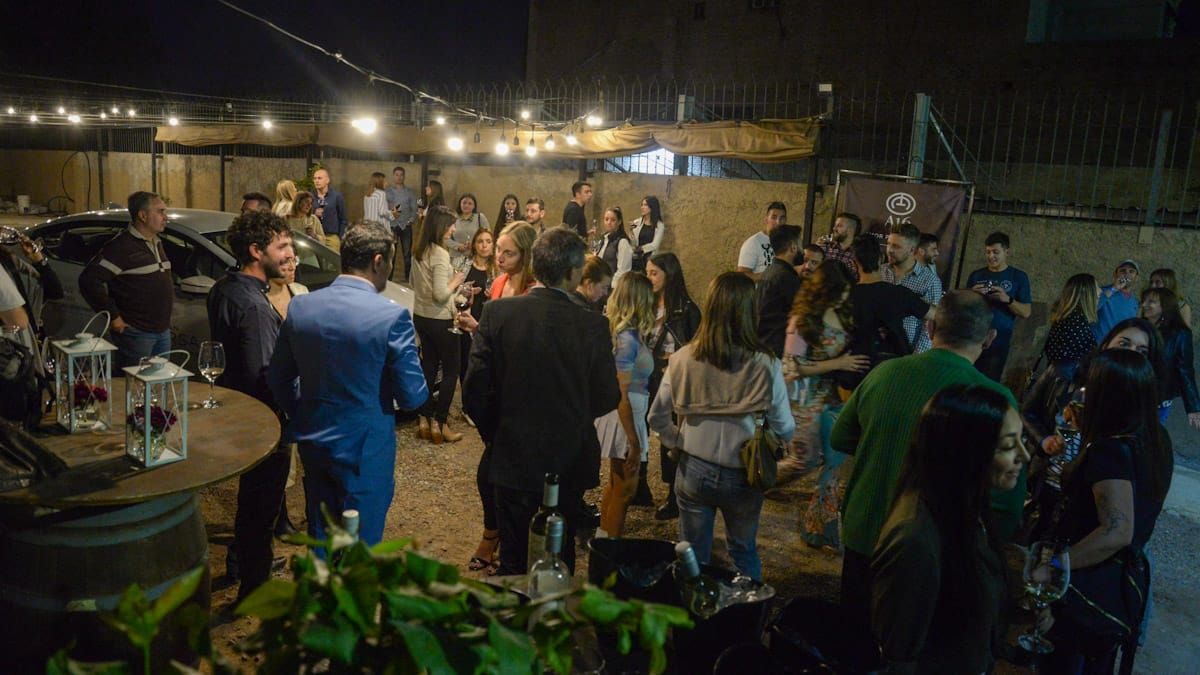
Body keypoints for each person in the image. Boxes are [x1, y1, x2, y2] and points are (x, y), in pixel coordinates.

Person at [832, 290, 1022, 626]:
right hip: (934, 549)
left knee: (853, 631)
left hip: (865, 528)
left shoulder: (884, 372)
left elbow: (841, 437)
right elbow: (1007, 498)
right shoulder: (994, 399)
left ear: (931, 328)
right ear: (989, 338)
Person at [462, 226, 619, 576]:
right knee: (558, 553)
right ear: (573, 272)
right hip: (568, 455)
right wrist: (573, 415)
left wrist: (496, 432)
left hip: (512, 451)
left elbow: (474, 390)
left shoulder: (499, 314)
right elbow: (607, 396)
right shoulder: (593, 325)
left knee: (514, 555)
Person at [267, 221, 428, 548]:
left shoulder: (302, 306)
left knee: (321, 533)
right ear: (379, 261)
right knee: (361, 545)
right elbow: (413, 396)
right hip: (365, 449)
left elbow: (279, 376)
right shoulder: (391, 317)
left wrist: (302, 410)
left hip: (314, 440)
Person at [648, 272, 794, 581]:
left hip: (693, 466)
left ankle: (693, 608)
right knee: (743, 551)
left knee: (692, 555)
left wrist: (677, 440)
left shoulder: (682, 359)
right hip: (743, 470)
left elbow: (656, 417)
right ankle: (746, 608)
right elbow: (785, 428)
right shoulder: (766, 364)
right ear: (750, 311)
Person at [871, 385, 1026, 673]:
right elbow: (897, 658)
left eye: (1022, 440)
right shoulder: (915, 539)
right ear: (966, 451)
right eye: (1008, 446)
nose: (1024, 456)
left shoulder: (962, 508)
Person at [1045, 349, 1173, 673]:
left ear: (1106, 396)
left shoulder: (1110, 451)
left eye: (1090, 386)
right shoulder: (1156, 440)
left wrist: (1056, 566)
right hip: (1118, 588)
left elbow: (1116, 531)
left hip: (1088, 585)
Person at [206, 209, 295, 600]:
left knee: (251, 499)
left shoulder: (224, 287)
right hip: (265, 422)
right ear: (257, 251)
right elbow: (265, 373)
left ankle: (242, 563)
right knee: (262, 507)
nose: (289, 254)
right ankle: (255, 589)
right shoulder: (256, 306)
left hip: (239, 409)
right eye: (282, 246)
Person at [785, 261, 869, 548]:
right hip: (806, 398)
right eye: (839, 291)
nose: (845, 297)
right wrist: (839, 363)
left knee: (835, 460)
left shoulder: (844, 312)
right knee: (804, 461)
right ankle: (757, 480)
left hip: (836, 396)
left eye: (847, 291)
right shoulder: (802, 319)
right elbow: (793, 367)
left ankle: (821, 527)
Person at [79, 191, 173, 368]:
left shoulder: (156, 242)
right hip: (137, 334)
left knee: (159, 380)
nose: (165, 217)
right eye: (160, 211)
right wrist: (114, 316)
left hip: (162, 332)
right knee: (136, 382)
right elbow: (89, 280)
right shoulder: (121, 247)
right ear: (143, 215)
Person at [596, 272, 656, 537]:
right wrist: (634, 440)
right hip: (626, 415)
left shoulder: (626, 334)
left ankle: (603, 540)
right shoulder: (628, 339)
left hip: (627, 413)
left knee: (616, 483)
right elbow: (622, 392)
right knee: (625, 491)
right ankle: (610, 549)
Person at [644, 252, 701, 519]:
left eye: (654, 273)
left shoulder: (687, 310)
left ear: (670, 274)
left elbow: (694, 348)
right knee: (641, 428)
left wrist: (674, 362)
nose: (649, 278)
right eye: (647, 273)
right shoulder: (646, 303)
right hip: (648, 374)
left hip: (673, 377)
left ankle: (673, 495)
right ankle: (639, 486)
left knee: (671, 434)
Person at [843, 234, 934, 388]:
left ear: (853, 263)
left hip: (855, 369)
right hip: (894, 371)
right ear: (880, 259)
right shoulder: (898, 293)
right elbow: (936, 315)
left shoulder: (846, 296)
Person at [411, 205, 467, 444]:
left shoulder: (418, 250)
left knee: (429, 367)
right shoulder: (440, 254)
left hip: (421, 316)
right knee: (452, 370)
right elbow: (441, 294)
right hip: (440, 319)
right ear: (440, 226)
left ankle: (424, 419)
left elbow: (415, 284)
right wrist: (457, 280)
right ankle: (440, 423)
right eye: (451, 225)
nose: (453, 229)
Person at [266, 254, 308, 538]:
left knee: (309, 451)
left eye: (294, 260)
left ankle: (314, 512)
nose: (292, 266)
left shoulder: (302, 293)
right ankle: (279, 518)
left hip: (304, 380)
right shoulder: (260, 299)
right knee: (282, 454)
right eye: (284, 262)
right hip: (277, 381)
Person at [966, 232, 1032, 381]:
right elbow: (963, 306)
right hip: (972, 339)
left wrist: (1007, 300)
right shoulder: (976, 275)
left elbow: (1026, 312)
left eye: (996, 252)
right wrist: (972, 294)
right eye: (988, 252)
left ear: (1006, 252)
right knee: (966, 379)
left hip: (999, 342)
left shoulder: (1018, 277)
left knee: (989, 382)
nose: (991, 256)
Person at [1140, 287, 1200, 428]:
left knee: (1152, 432)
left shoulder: (1180, 333)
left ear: (1165, 306)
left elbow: (1185, 371)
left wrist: (1194, 406)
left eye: (1151, 301)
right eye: (1143, 301)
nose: (1143, 305)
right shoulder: (1138, 327)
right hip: (1131, 390)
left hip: (1158, 397)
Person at [881, 223, 943, 353]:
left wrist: (916, 358)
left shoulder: (930, 281)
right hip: (877, 348)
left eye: (896, 246)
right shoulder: (880, 272)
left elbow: (929, 326)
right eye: (889, 244)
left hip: (906, 352)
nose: (890, 250)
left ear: (912, 250)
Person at [754, 223, 804, 357]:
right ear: (793, 247)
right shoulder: (786, 277)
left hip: (765, 346)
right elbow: (802, 314)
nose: (802, 250)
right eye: (800, 244)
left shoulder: (771, 271)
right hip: (776, 350)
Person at [1041, 273, 1099, 382]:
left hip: (1059, 373)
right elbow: (1080, 355)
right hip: (1067, 376)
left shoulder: (1070, 316)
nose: (1100, 292)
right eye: (1097, 288)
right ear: (1087, 293)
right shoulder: (1077, 320)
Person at [736, 201, 787, 282]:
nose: (778, 222)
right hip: (761, 290)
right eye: (774, 217)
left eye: (782, 218)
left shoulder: (788, 242)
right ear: (766, 219)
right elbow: (741, 275)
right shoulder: (753, 242)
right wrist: (766, 276)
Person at [1093, 259, 1140, 342]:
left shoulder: (1134, 302)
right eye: (1123, 271)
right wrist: (1114, 288)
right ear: (1115, 274)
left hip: (1118, 346)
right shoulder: (1102, 291)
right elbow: (1090, 308)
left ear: (1137, 278)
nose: (1127, 274)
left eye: (1131, 271)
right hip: (1098, 345)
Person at [489, 221, 538, 299]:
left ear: (525, 256)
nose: (500, 259)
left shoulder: (535, 293)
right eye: (498, 249)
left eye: (509, 254)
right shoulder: (497, 283)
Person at [386, 166, 418, 282]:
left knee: (407, 254)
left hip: (406, 225)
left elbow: (414, 208)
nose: (399, 177)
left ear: (404, 176)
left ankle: (407, 280)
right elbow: (384, 207)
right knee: (391, 253)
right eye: (397, 175)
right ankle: (388, 279)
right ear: (393, 176)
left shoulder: (410, 192)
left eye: (401, 175)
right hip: (392, 225)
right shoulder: (388, 191)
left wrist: (412, 219)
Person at [817, 212, 863, 282]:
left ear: (851, 230)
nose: (834, 228)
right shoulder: (825, 246)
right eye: (835, 225)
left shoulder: (858, 253)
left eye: (839, 226)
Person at [596, 206, 633, 286]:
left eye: (613, 220)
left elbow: (623, 270)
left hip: (613, 285)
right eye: (606, 219)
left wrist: (612, 287)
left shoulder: (622, 242)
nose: (609, 222)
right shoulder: (603, 239)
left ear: (619, 222)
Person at [312, 168, 347, 251]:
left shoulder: (336, 196)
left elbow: (343, 219)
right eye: (315, 178)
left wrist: (340, 237)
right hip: (314, 236)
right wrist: (314, 212)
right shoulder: (310, 196)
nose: (316, 181)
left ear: (327, 180)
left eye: (319, 178)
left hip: (331, 237)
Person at [450, 193, 489, 268]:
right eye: (464, 203)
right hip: (456, 258)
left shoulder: (480, 217)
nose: (466, 205)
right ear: (460, 204)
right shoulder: (453, 218)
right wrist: (458, 246)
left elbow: (488, 236)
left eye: (470, 203)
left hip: (476, 257)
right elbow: (446, 238)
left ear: (474, 206)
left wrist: (475, 244)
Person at [630, 195, 665, 273]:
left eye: (645, 205)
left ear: (652, 207)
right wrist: (631, 233)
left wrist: (641, 248)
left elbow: (655, 245)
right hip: (636, 260)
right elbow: (633, 244)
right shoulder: (636, 222)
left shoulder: (659, 225)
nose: (642, 207)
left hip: (650, 260)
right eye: (642, 205)